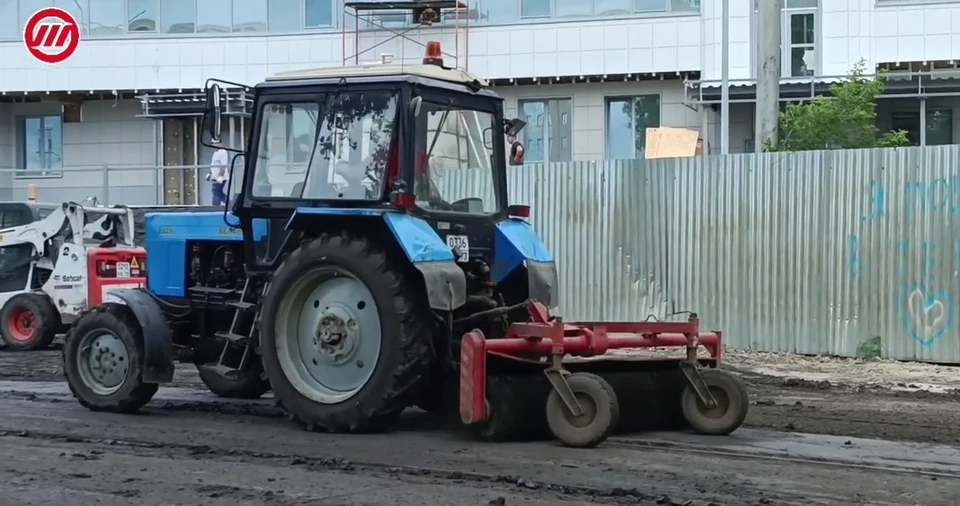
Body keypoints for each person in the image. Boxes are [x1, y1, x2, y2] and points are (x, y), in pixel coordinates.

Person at [206, 140, 230, 206]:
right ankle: (230, 204)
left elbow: (223, 165)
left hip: (220, 177)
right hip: (214, 176)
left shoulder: (223, 152)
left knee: (216, 192)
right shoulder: (215, 152)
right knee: (218, 193)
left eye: (215, 143)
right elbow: (213, 164)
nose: (214, 145)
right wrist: (209, 173)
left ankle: (215, 207)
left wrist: (221, 176)